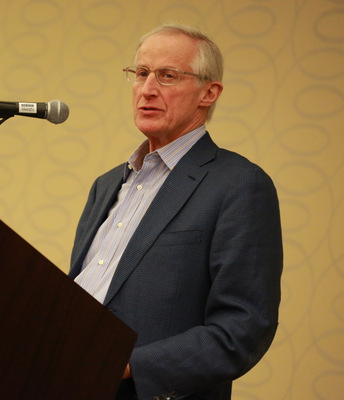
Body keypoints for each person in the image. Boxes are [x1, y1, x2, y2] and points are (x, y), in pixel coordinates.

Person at [69, 24, 283, 400]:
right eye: (141, 73)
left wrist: (128, 366)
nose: (147, 89)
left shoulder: (238, 184)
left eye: (167, 76)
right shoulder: (106, 185)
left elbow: (244, 328)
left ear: (208, 93)